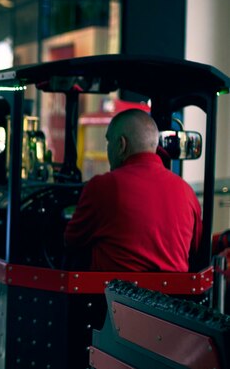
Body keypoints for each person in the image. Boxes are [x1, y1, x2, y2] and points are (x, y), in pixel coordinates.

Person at [64, 109, 202, 272]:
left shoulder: (103, 186)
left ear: (121, 145)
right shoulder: (187, 192)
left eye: (109, 143)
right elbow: (195, 248)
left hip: (108, 296)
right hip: (171, 297)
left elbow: (72, 240)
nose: (108, 150)